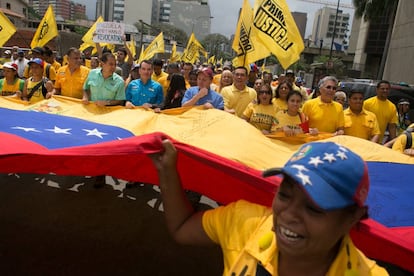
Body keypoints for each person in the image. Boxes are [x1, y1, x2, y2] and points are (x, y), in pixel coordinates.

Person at [150, 140, 388, 275]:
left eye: (314, 208)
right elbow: (182, 228)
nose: (288, 215)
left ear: (352, 218)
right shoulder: (243, 221)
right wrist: (167, 170)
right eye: (284, 196)